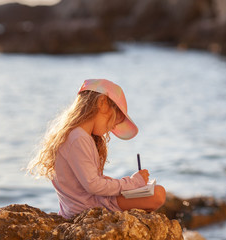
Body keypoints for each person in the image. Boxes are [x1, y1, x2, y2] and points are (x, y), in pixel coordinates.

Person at [27, 79, 166, 219]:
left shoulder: (76, 135)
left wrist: (129, 185)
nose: (111, 129)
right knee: (158, 194)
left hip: (83, 205)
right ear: (102, 103)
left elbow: (89, 181)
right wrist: (133, 183)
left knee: (155, 192)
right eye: (113, 122)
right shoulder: (78, 138)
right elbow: (93, 185)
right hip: (88, 207)